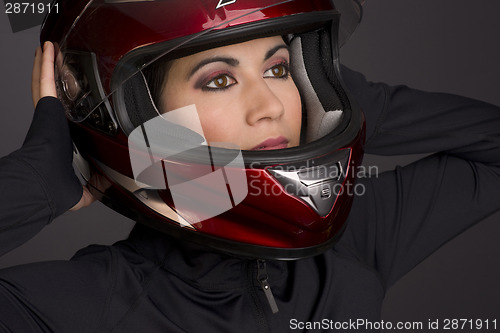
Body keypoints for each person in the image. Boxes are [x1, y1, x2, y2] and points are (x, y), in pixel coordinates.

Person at [0, 0, 499, 332]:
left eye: (281, 69)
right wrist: (34, 184)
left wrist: (360, 105)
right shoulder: (86, 306)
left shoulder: (353, 244)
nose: (272, 106)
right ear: (136, 117)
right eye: (219, 79)